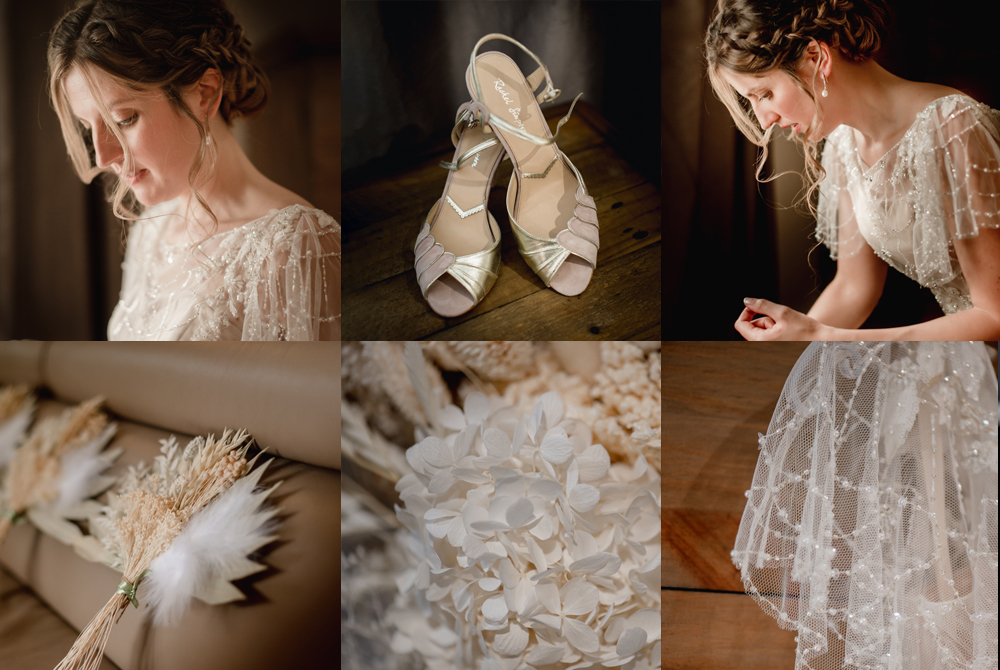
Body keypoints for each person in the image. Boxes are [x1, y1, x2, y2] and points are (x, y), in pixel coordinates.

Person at [705, 0, 1000, 341]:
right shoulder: (843, 143)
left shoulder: (952, 128)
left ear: (816, 58)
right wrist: (787, 344)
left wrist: (820, 337)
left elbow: (993, 314)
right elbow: (854, 288)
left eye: (766, 93)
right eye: (752, 101)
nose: (764, 120)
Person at [48, 0, 341, 340]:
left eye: (123, 120)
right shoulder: (151, 230)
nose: (103, 157)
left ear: (204, 93)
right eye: (88, 128)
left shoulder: (295, 245)